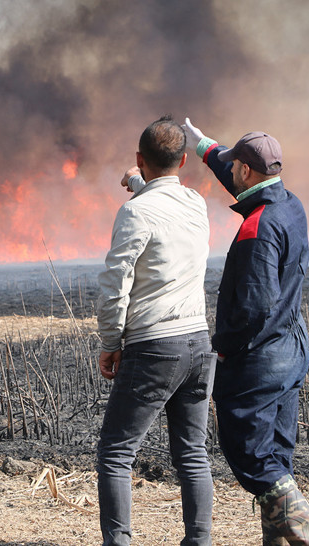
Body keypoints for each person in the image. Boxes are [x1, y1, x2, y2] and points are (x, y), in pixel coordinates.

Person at [183, 118, 309, 545]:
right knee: (277, 458)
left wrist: (223, 349)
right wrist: (204, 146)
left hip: (260, 360)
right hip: (291, 350)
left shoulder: (257, 228)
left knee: (253, 457)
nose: (231, 169)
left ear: (246, 170)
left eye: (235, 164)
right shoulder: (290, 204)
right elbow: (240, 181)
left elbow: (253, 306)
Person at [96, 115, 216, 546]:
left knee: (116, 452)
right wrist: (138, 182)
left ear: (139, 157)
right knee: (192, 454)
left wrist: (110, 342)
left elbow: (115, 285)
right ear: (183, 161)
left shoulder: (135, 212)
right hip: (199, 344)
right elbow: (163, 201)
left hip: (154, 345)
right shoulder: (196, 204)